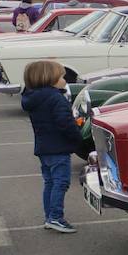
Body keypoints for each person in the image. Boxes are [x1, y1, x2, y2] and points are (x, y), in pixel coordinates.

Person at [20, 60, 84, 233]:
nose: (65, 80)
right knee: (61, 182)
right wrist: (78, 137)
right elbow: (65, 123)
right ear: (50, 79)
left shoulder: (34, 98)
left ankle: (49, 216)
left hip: (44, 147)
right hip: (58, 148)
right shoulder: (55, 98)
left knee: (50, 182)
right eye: (62, 76)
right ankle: (56, 217)